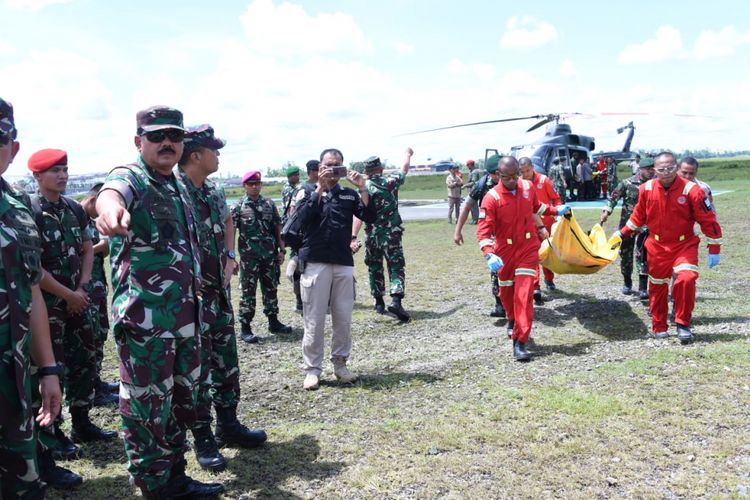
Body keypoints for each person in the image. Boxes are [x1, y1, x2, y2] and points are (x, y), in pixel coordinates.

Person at [96, 105, 224, 498]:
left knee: (180, 401)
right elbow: (111, 194)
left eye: (174, 136)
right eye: (156, 136)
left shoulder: (179, 185)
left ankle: (174, 475)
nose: (166, 142)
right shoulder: (132, 176)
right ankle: (152, 484)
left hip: (186, 318)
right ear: (139, 142)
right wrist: (110, 210)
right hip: (146, 323)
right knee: (145, 407)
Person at [177, 125, 267, 473]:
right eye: (214, 150)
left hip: (219, 292)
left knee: (226, 361)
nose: (219, 155)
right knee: (195, 370)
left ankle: (227, 425)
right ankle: (202, 438)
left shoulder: (213, 189)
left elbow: (228, 218)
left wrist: (230, 254)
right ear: (196, 154)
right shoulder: (175, 191)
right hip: (190, 300)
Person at [29, 149, 117, 455]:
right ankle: (53, 433)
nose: (63, 175)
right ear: (37, 177)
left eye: (65, 169)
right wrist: (68, 294)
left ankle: (82, 421)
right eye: (55, 171)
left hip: (79, 300)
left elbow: (87, 248)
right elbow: (31, 267)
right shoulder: (28, 211)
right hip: (47, 305)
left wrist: (82, 287)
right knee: (52, 368)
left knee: (85, 361)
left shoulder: (73, 209)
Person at [0, 97, 68, 497]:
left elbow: (31, 292)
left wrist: (48, 370)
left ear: (13, 147)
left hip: (16, 379)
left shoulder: (18, 211)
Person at [610, 151, 722, 344]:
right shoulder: (646, 189)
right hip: (656, 245)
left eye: (670, 168)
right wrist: (622, 233)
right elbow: (638, 217)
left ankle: (683, 324)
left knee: (686, 279)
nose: (667, 172)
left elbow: (708, 219)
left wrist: (714, 247)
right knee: (657, 286)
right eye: (662, 169)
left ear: (676, 167)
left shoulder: (692, 190)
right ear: (655, 170)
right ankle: (659, 325)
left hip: (684, 244)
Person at [296, 148, 376, 390]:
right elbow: (300, 220)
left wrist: (362, 187)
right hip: (316, 262)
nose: (332, 170)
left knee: (343, 317)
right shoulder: (307, 191)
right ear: (319, 167)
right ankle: (312, 369)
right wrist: (319, 188)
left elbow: (369, 215)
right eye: (328, 165)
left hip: (343, 262)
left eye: (336, 165)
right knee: (314, 319)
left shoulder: (349, 195)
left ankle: (340, 365)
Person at [477, 156, 569, 361]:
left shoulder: (527, 187)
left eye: (515, 175)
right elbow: (483, 231)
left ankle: (520, 341)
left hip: (528, 248)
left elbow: (537, 207)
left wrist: (556, 210)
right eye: (507, 177)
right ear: (498, 175)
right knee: (508, 295)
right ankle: (512, 319)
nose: (512, 181)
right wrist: (489, 253)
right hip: (505, 252)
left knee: (524, 295)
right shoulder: (491, 198)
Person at [351, 148, 413, 321]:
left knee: (374, 266)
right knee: (395, 266)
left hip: (372, 235)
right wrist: (407, 155)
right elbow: (404, 169)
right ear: (380, 168)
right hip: (392, 233)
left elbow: (359, 216)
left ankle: (379, 302)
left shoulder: (363, 188)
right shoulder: (391, 182)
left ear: (366, 171)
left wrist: (353, 237)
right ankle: (396, 300)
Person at [232, 170, 291, 344]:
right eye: (251, 184)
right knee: (247, 292)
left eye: (258, 183)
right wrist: (230, 256)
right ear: (245, 186)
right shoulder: (238, 206)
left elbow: (277, 227)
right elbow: (231, 230)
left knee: (271, 288)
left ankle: (273, 322)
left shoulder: (269, 204)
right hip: (249, 258)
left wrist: (281, 250)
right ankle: (245, 327)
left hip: (269, 256)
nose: (255, 186)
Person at [78, 183, 120, 407]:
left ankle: (97, 383)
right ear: (94, 199)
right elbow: (75, 250)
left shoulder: (91, 220)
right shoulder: (74, 215)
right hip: (82, 289)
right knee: (87, 339)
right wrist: (97, 248)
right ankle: (89, 391)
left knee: (100, 332)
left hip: (97, 286)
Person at [454, 154, 505, 318]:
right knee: (496, 268)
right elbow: (467, 206)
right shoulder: (481, 185)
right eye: (496, 173)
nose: (500, 177)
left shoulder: (512, 183)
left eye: (501, 173)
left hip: (511, 231)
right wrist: (458, 230)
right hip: (492, 233)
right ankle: (499, 304)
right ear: (490, 173)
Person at [601, 158, 655, 298]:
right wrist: (607, 211)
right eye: (648, 169)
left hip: (646, 226)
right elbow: (613, 197)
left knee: (643, 254)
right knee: (626, 254)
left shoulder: (654, 185)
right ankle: (627, 282)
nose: (651, 172)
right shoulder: (627, 183)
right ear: (640, 169)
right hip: (627, 225)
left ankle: (643, 287)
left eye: (652, 169)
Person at [519, 157, 561, 297]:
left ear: (533, 167)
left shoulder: (544, 180)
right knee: (532, 255)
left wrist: (558, 213)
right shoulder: (519, 183)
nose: (526, 174)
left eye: (528, 170)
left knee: (547, 252)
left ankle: (549, 279)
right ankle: (535, 286)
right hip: (528, 225)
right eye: (522, 171)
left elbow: (555, 198)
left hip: (546, 224)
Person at [462, 159, 483, 224]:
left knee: (474, 206)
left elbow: (474, 182)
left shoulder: (474, 172)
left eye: (468, 165)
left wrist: (465, 185)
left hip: (474, 190)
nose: (467, 166)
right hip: (471, 190)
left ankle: (476, 220)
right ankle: (474, 219)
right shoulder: (471, 171)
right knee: (471, 206)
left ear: (471, 165)